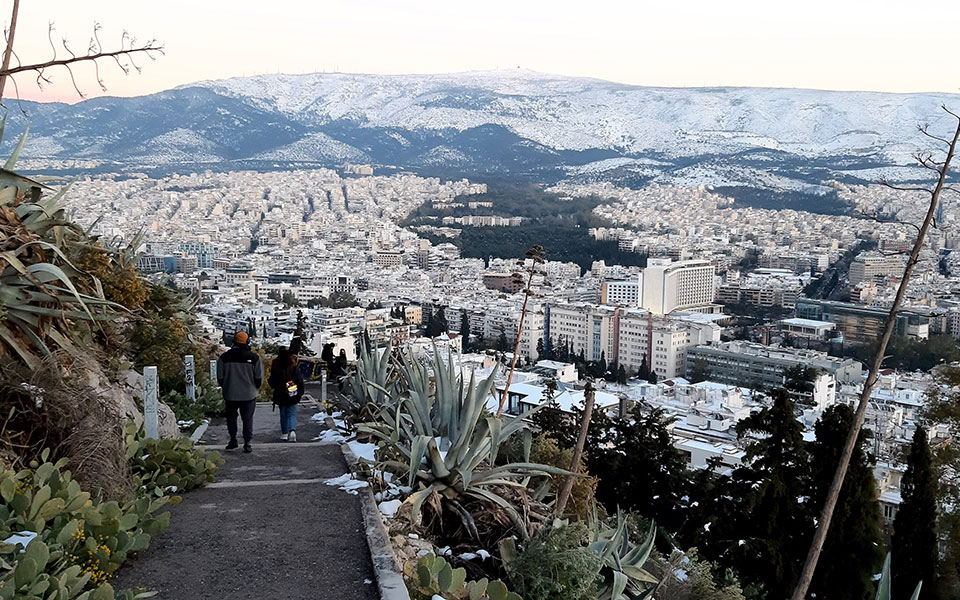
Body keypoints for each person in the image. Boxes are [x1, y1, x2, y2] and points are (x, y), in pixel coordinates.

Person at [216, 331, 263, 453]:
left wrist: (226, 386)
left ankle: (233, 440)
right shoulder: (254, 358)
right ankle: (247, 443)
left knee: (231, 418)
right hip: (248, 394)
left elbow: (220, 377)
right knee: (247, 419)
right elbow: (258, 378)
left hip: (230, 393)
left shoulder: (224, 358)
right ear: (247, 342)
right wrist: (254, 387)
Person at [268, 347, 304, 442]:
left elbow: (272, 381)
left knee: (283, 414)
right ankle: (292, 430)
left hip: (280, 392)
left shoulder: (276, 368)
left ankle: (284, 433)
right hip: (292, 389)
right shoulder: (293, 368)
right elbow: (300, 381)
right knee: (292, 413)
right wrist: (300, 392)